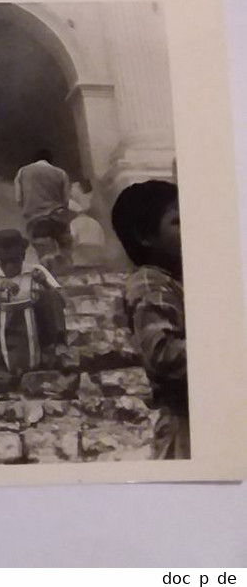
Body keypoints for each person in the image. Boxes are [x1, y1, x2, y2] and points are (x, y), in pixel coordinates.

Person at [112, 180, 188, 459]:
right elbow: (163, 353)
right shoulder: (149, 283)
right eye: (178, 221)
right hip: (185, 429)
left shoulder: (179, 280)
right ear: (145, 236)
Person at [0, 228, 67, 375]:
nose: (9, 266)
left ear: (23, 256)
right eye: (4, 261)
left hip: (36, 330)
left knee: (49, 295)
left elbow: (62, 301)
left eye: (14, 260)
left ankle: (60, 346)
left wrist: (45, 283)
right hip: (4, 331)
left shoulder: (36, 271)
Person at [15, 149, 73, 269]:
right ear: (51, 161)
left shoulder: (22, 172)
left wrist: (29, 210)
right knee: (66, 252)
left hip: (37, 220)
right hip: (58, 218)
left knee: (45, 255)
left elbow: (19, 199)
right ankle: (68, 272)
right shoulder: (61, 173)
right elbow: (66, 200)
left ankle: (50, 276)